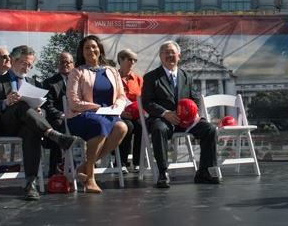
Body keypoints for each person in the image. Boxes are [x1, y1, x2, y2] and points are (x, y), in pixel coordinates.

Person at [0, 45, 77, 201]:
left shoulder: (34, 83)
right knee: (20, 103)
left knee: (31, 131)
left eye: (30, 65)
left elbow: (44, 108)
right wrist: (5, 102)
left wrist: (40, 112)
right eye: (24, 64)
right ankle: (52, 134)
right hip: (4, 125)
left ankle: (30, 183)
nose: (27, 68)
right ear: (13, 60)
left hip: (28, 125)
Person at [142, 40, 220, 189]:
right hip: (163, 120)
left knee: (209, 129)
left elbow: (194, 98)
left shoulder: (186, 76)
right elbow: (147, 103)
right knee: (159, 129)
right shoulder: (151, 77)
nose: (170, 55)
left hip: (186, 121)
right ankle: (163, 172)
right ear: (160, 56)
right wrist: (165, 113)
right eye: (166, 52)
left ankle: (204, 171)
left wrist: (194, 113)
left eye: (173, 52)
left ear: (179, 56)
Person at [66, 35, 128, 194]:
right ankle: (90, 178)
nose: (91, 50)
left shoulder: (112, 71)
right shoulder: (77, 72)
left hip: (110, 114)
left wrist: (117, 108)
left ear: (100, 49)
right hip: (82, 115)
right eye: (86, 48)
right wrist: (96, 108)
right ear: (82, 52)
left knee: (122, 127)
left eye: (94, 46)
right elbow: (73, 102)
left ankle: (85, 166)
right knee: (98, 124)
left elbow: (122, 96)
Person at [41, 51, 75, 176]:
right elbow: (47, 105)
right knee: (57, 125)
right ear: (57, 64)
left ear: (73, 64)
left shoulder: (79, 80)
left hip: (77, 116)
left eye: (68, 62)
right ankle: (56, 167)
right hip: (59, 118)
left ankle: (86, 165)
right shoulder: (49, 82)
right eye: (62, 62)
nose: (65, 64)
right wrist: (62, 114)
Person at [116, 48, 143, 171]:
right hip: (118, 114)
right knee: (128, 127)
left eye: (134, 60)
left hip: (135, 114)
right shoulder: (113, 77)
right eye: (129, 59)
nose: (132, 62)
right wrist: (120, 112)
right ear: (120, 60)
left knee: (141, 125)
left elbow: (143, 98)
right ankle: (121, 162)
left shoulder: (138, 79)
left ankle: (138, 162)